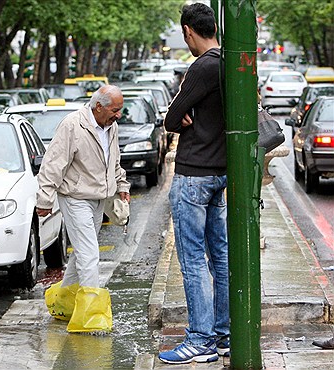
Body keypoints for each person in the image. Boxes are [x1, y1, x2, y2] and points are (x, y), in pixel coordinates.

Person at [158, 3, 229, 364]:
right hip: (220, 172)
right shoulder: (229, 62)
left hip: (193, 175)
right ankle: (224, 334)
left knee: (193, 260)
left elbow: (172, 118)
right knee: (220, 256)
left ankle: (200, 339)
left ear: (188, 31)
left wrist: (184, 113)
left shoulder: (202, 67)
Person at [37, 85, 130, 333]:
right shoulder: (72, 125)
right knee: (89, 254)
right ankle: (92, 317)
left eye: (120, 110)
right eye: (115, 109)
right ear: (98, 106)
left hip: (99, 197)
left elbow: (115, 160)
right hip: (75, 197)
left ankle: (64, 304)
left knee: (81, 254)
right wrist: (44, 200)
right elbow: (53, 165)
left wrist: (122, 184)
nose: (118, 115)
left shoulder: (112, 127)